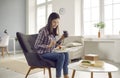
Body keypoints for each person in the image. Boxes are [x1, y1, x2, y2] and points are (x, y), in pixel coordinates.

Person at [34, 12, 69, 78]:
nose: (56, 24)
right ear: (50, 21)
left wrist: (61, 38)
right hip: (42, 53)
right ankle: (58, 76)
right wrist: (48, 46)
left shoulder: (52, 31)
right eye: (54, 22)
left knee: (66, 53)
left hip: (50, 52)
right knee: (61, 56)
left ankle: (66, 75)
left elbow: (54, 45)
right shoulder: (43, 31)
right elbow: (36, 45)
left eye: (57, 22)